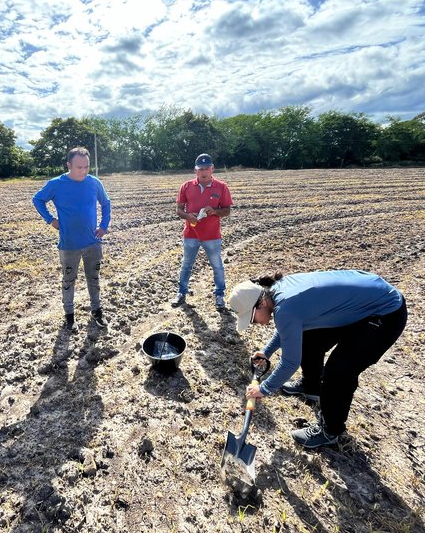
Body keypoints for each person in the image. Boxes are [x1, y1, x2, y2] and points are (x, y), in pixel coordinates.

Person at [228, 269, 407, 449]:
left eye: (251, 318)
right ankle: (311, 387)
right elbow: (291, 326)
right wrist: (267, 351)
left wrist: (263, 389)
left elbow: (290, 362)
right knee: (310, 339)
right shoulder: (280, 291)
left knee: (338, 372)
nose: (254, 323)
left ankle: (330, 431)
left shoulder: (285, 308)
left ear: (261, 302)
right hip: (362, 303)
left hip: (385, 313)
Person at [32, 146, 111, 331]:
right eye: (79, 167)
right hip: (69, 244)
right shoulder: (56, 184)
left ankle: (97, 311)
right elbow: (37, 199)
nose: (83, 171)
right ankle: (69, 316)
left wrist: (104, 226)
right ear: (69, 165)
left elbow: (106, 203)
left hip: (92, 242)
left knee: (94, 278)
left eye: (86, 167)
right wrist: (50, 220)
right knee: (69, 280)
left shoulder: (94, 183)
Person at [171, 153, 233, 309]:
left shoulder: (221, 187)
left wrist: (214, 211)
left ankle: (219, 295)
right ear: (195, 170)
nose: (204, 172)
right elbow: (178, 210)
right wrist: (187, 216)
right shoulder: (186, 186)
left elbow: (227, 210)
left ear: (212, 169)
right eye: (200, 169)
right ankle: (181, 293)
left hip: (212, 236)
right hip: (190, 234)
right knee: (186, 264)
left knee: (217, 265)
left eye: (207, 168)